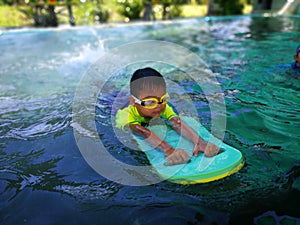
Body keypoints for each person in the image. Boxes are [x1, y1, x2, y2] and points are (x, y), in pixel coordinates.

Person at [115, 67, 220, 166]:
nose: (158, 106)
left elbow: (177, 123)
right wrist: (168, 150)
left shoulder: (162, 107)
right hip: (110, 101)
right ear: (134, 101)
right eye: (150, 102)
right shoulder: (125, 115)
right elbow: (141, 131)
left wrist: (199, 142)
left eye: (163, 99)